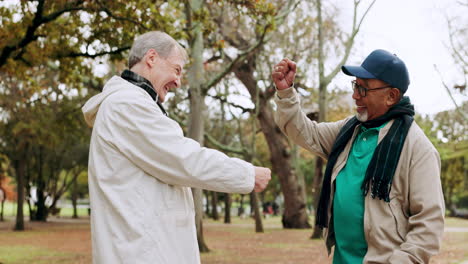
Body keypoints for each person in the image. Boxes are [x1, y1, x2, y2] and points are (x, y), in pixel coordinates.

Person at [82, 31, 271, 264]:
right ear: (151, 58)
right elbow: (184, 158)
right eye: (177, 70)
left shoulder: (133, 103)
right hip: (140, 253)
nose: (178, 82)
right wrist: (247, 174)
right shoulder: (126, 105)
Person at [272, 49, 445, 263]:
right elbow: (306, 133)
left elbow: (428, 224)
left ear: (391, 96)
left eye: (363, 89)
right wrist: (286, 92)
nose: (355, 95)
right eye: (355, 86)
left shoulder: (418, 149)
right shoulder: (349, 130)